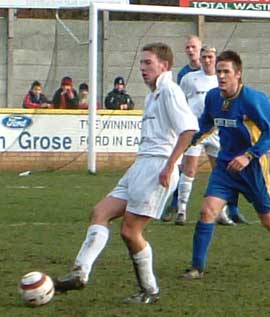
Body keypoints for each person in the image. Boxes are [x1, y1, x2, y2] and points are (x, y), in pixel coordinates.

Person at [53, 42, 199, 304]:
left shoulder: (169, 90)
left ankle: (149, 290)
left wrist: (169, 165)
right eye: (141, 63)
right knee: (100, 212)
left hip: (157, 167)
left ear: (164, 66)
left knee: (130, 232)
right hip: (140, 165)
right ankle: (79, 273)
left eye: (148, 63)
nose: (142, 68)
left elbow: (188, 130)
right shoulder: (152, 94)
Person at [184, 50, 270, 280]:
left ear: (238, 74)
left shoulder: (253, 99)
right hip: (225, 167)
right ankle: (197, 267)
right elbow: (206, 124)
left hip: (253, 169)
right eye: (219, 71)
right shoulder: (213, 97)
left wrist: (249, 156)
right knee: (207, 211)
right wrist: (187, 140)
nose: (221, 76)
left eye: (226, 72)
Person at [174, 45, 248, 226]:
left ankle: (221, 212)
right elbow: (181, 103)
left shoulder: (221, 80)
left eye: (211, 57)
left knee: (221, 171)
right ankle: (181, 209)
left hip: (217, 132)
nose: (207, 60)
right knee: (189, 170)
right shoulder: (189, 79)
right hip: (197, 130)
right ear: (200, 58)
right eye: (204, 57)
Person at [162, 35, 202, 221]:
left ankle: (230, 210)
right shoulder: (184, 74)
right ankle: (175, 206)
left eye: (193, 46)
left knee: (224, 168)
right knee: (186, 167)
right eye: (187, 47)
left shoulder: (213, 70)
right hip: (193, 128)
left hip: (215, 128)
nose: (190, 50)